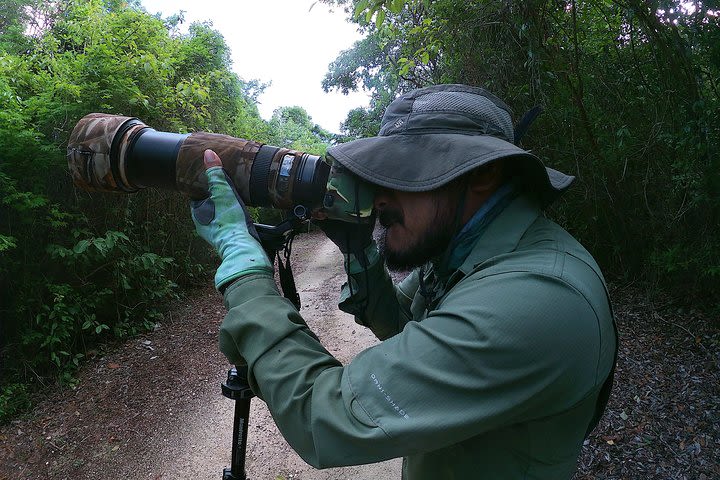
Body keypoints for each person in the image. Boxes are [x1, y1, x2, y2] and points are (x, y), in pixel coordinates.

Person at [190, 84, 617, 479]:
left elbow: (331, 417)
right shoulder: (467, 252)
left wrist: (245, 271)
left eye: (404, 173)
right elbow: (399, 324)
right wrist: (360, 249)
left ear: (482, 175)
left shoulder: (536, 297)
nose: (379, 196)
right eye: (380, 176)